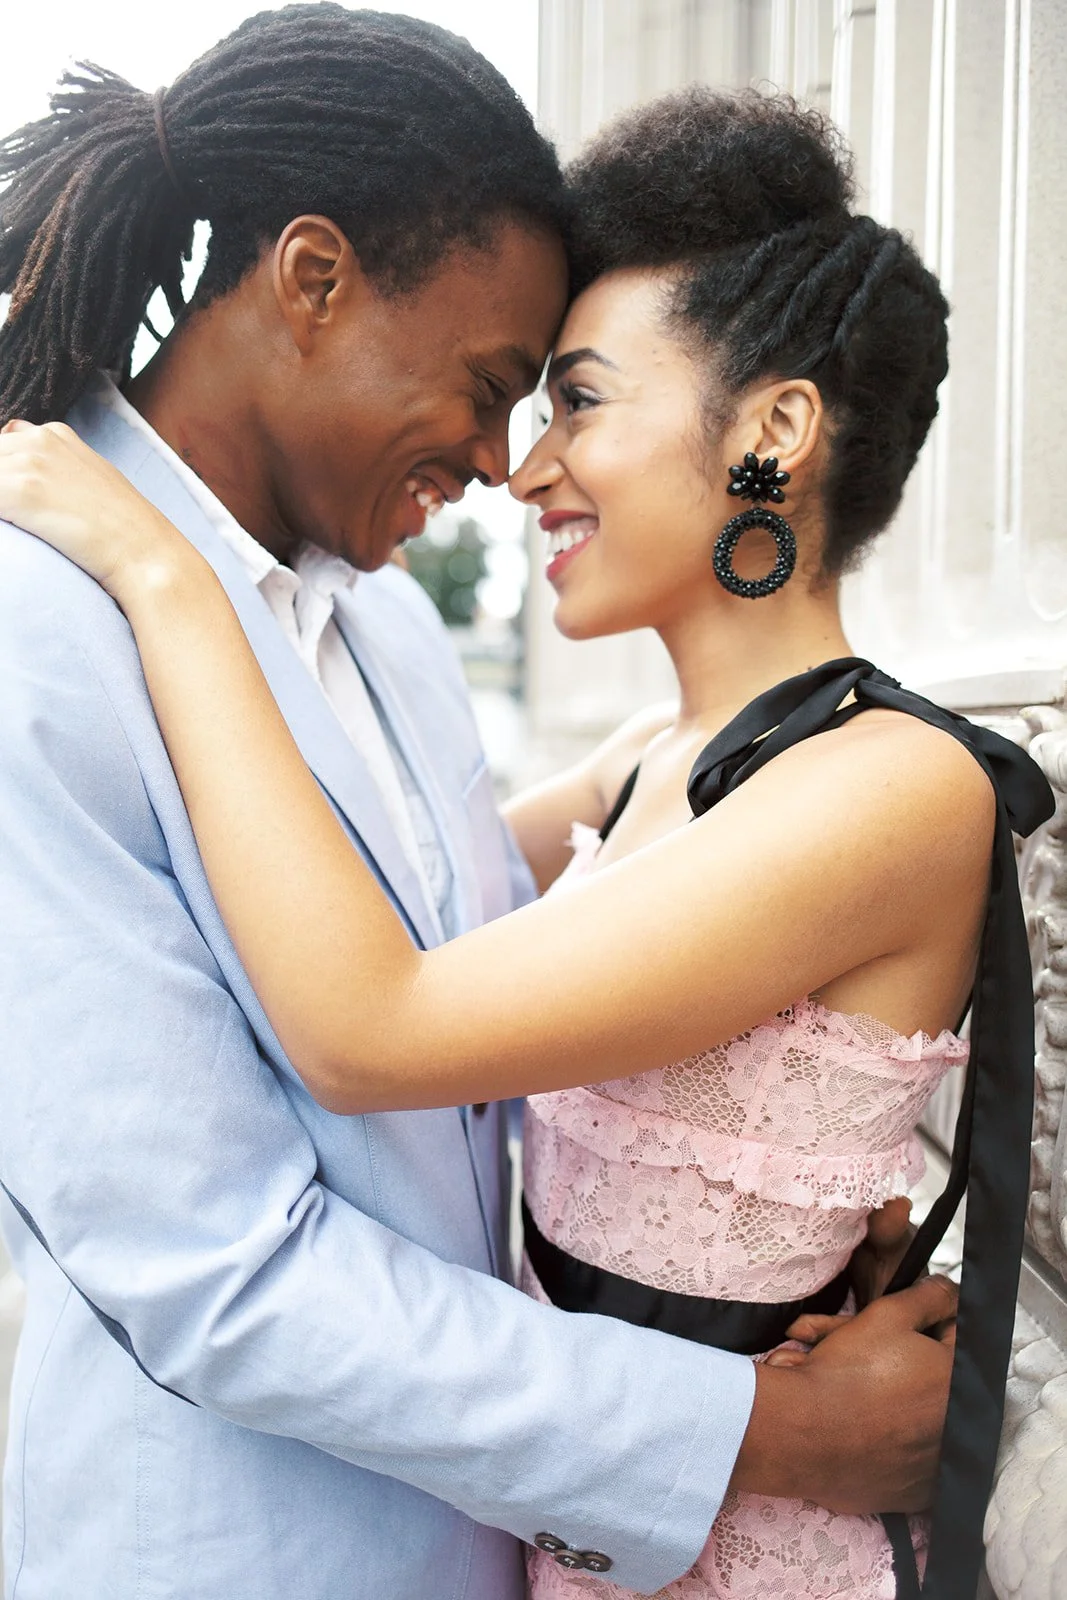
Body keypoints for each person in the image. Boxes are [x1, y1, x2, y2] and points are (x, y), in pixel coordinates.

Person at [0, 18, 968, 1600]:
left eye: (562, 401)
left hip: (533, 1543)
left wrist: (763, 1232)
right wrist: (757, 1426)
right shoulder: (36, 630)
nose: (502, 459)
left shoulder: (382, 617)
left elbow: (493, 1012)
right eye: (497, 385)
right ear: (311, 281)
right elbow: (214, 1274)